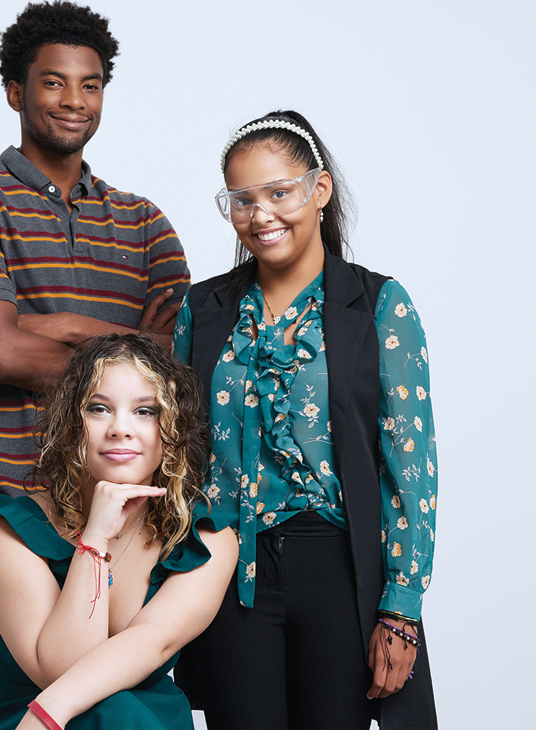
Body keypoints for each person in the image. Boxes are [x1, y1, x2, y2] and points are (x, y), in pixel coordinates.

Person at [171, 111, 440, 729]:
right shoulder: (202, 308)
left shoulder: (378, 306)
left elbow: (410, 464)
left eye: (278, 193)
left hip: (338, 569)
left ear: (318, 192)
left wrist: (400, 609)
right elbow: (179, 449)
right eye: (241, 200)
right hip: (228, 567)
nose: (260, 215)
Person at [0, 0, 191, 620]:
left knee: (120, 705)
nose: (75, 99)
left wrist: (66, 326)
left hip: (133, 516)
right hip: (9, 510)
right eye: (54, 82)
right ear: (15, 91)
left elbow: (178, 368)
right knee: (14, 709)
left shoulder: (144, 222)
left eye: (90, 84)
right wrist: (131, 350)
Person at [0, 334, 237, 730]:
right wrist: (96, 538)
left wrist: (47, 714)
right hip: (15, 714)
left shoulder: (209, 541)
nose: (121, 428)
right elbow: (61, 669)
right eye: (98, 409)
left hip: (132, 717)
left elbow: (151, 643)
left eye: (146, 411)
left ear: (173, 430)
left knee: (120, 714)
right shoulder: (8, 532)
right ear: (70, 425)